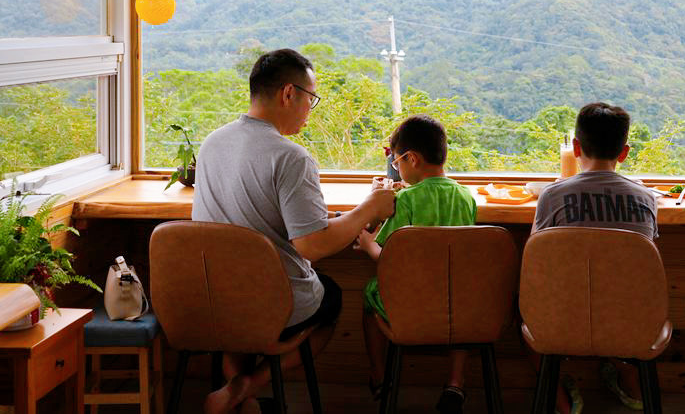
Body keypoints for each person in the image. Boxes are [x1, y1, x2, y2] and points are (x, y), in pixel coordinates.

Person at [192, 48, 396, 414]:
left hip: (214, 298)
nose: (309, 109)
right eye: (311, 99)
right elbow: (313, 245)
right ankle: (244, 388)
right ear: (289, 94)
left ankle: (240, 397)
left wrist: (335, 216)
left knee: (237, 318)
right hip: (273, 304)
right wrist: (369, 208)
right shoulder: (290, 157)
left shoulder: (212, 143)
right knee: (331, 298)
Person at [530, 102, 659, 414]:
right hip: (632, 319)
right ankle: (630, 377)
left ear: (576, 147)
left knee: (523, 305)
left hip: (563, 319)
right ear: (624, 152)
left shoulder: (552, 195)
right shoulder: (646, 198)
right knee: (616, 300)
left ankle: (561, 401)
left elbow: (535, 261)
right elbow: (648, 265)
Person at [355, 114, 478, 414]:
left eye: (396, 163)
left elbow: (391, 259)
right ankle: (455, 382)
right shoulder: (466, 197)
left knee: (369, 297)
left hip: (410, 306)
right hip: (457, 305)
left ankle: (379, 375)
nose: (396, 168)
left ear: (411, 158)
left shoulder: (406, 199)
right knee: (462, 300)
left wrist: (368, 241)